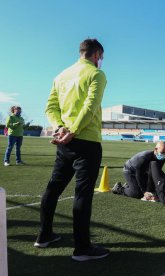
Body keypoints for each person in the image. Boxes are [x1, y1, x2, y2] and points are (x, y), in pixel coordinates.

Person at [35, 39, 109, 261]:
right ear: (96, 55)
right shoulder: (96, 74)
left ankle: (44, 235)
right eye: (102, 57)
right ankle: (82, 248)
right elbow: (91, 104)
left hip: (64, 142)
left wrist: (60, 128)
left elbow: (50, 107)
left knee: (54, 187)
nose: (101, 61)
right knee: (83, 193)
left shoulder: (61, 75)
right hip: (86, 141)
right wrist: (73, 130)